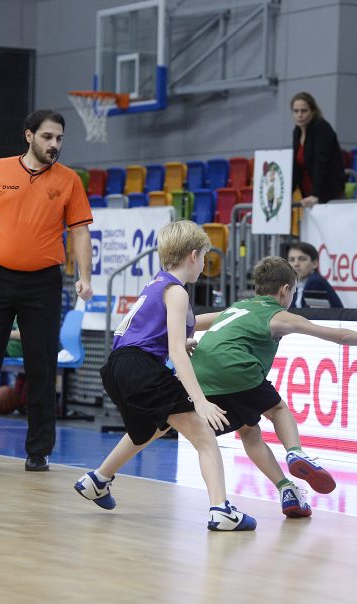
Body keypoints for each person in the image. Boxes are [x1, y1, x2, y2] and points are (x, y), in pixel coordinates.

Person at [73, 220, 256, 532]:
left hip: (116, 368)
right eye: (204, 258)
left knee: (152, 428)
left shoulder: (157, 284)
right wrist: (200, 400)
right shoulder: (177, 292)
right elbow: (175, 351)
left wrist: (231, 317)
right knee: (204, 435)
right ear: (194, 255)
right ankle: (221, 510)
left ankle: (98, 480)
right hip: (141, 367)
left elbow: (174, 328)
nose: (204, 265)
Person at [190, 256, 357, 518]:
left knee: (249, 431)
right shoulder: (278, 316)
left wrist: (182, 339)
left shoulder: (236, 308)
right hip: (236, 369)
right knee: (278, 409)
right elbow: (339, 335)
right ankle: (295, 452)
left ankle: (287, 489)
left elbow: (192, 321)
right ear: (285, 290)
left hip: (199, 375)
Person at [0, 108, 93, 472]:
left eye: (59, 138)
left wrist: (85, 276)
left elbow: (80, 231)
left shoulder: (69, 180)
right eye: (47, 137)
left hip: (43, 282)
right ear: (29, 136)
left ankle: (38, 452)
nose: (54, 144)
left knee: (41, 365)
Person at [290, 92, 346, 208]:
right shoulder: (297, 132)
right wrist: (289, 192)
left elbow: (321, 162)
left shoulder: (322, 128)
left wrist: (316, 194)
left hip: (328, 192)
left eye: (304, 111)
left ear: (313, 111)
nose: (299, 115)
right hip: (307, 193)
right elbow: (296, 166)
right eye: (296, 111)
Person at [287, 241, 343, 309]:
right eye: (291, 260)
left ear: (314, 263)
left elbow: (313, 314)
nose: (296, 264)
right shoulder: (294, 284)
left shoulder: (315, 282)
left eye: (302, 259)